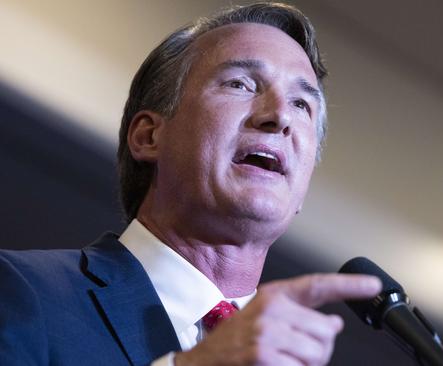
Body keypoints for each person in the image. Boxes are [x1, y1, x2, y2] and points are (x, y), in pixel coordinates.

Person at [0, 3, 381, 366]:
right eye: (241, 84)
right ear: (149, 137)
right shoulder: (21, 291)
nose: (280, 116)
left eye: (301, 105)